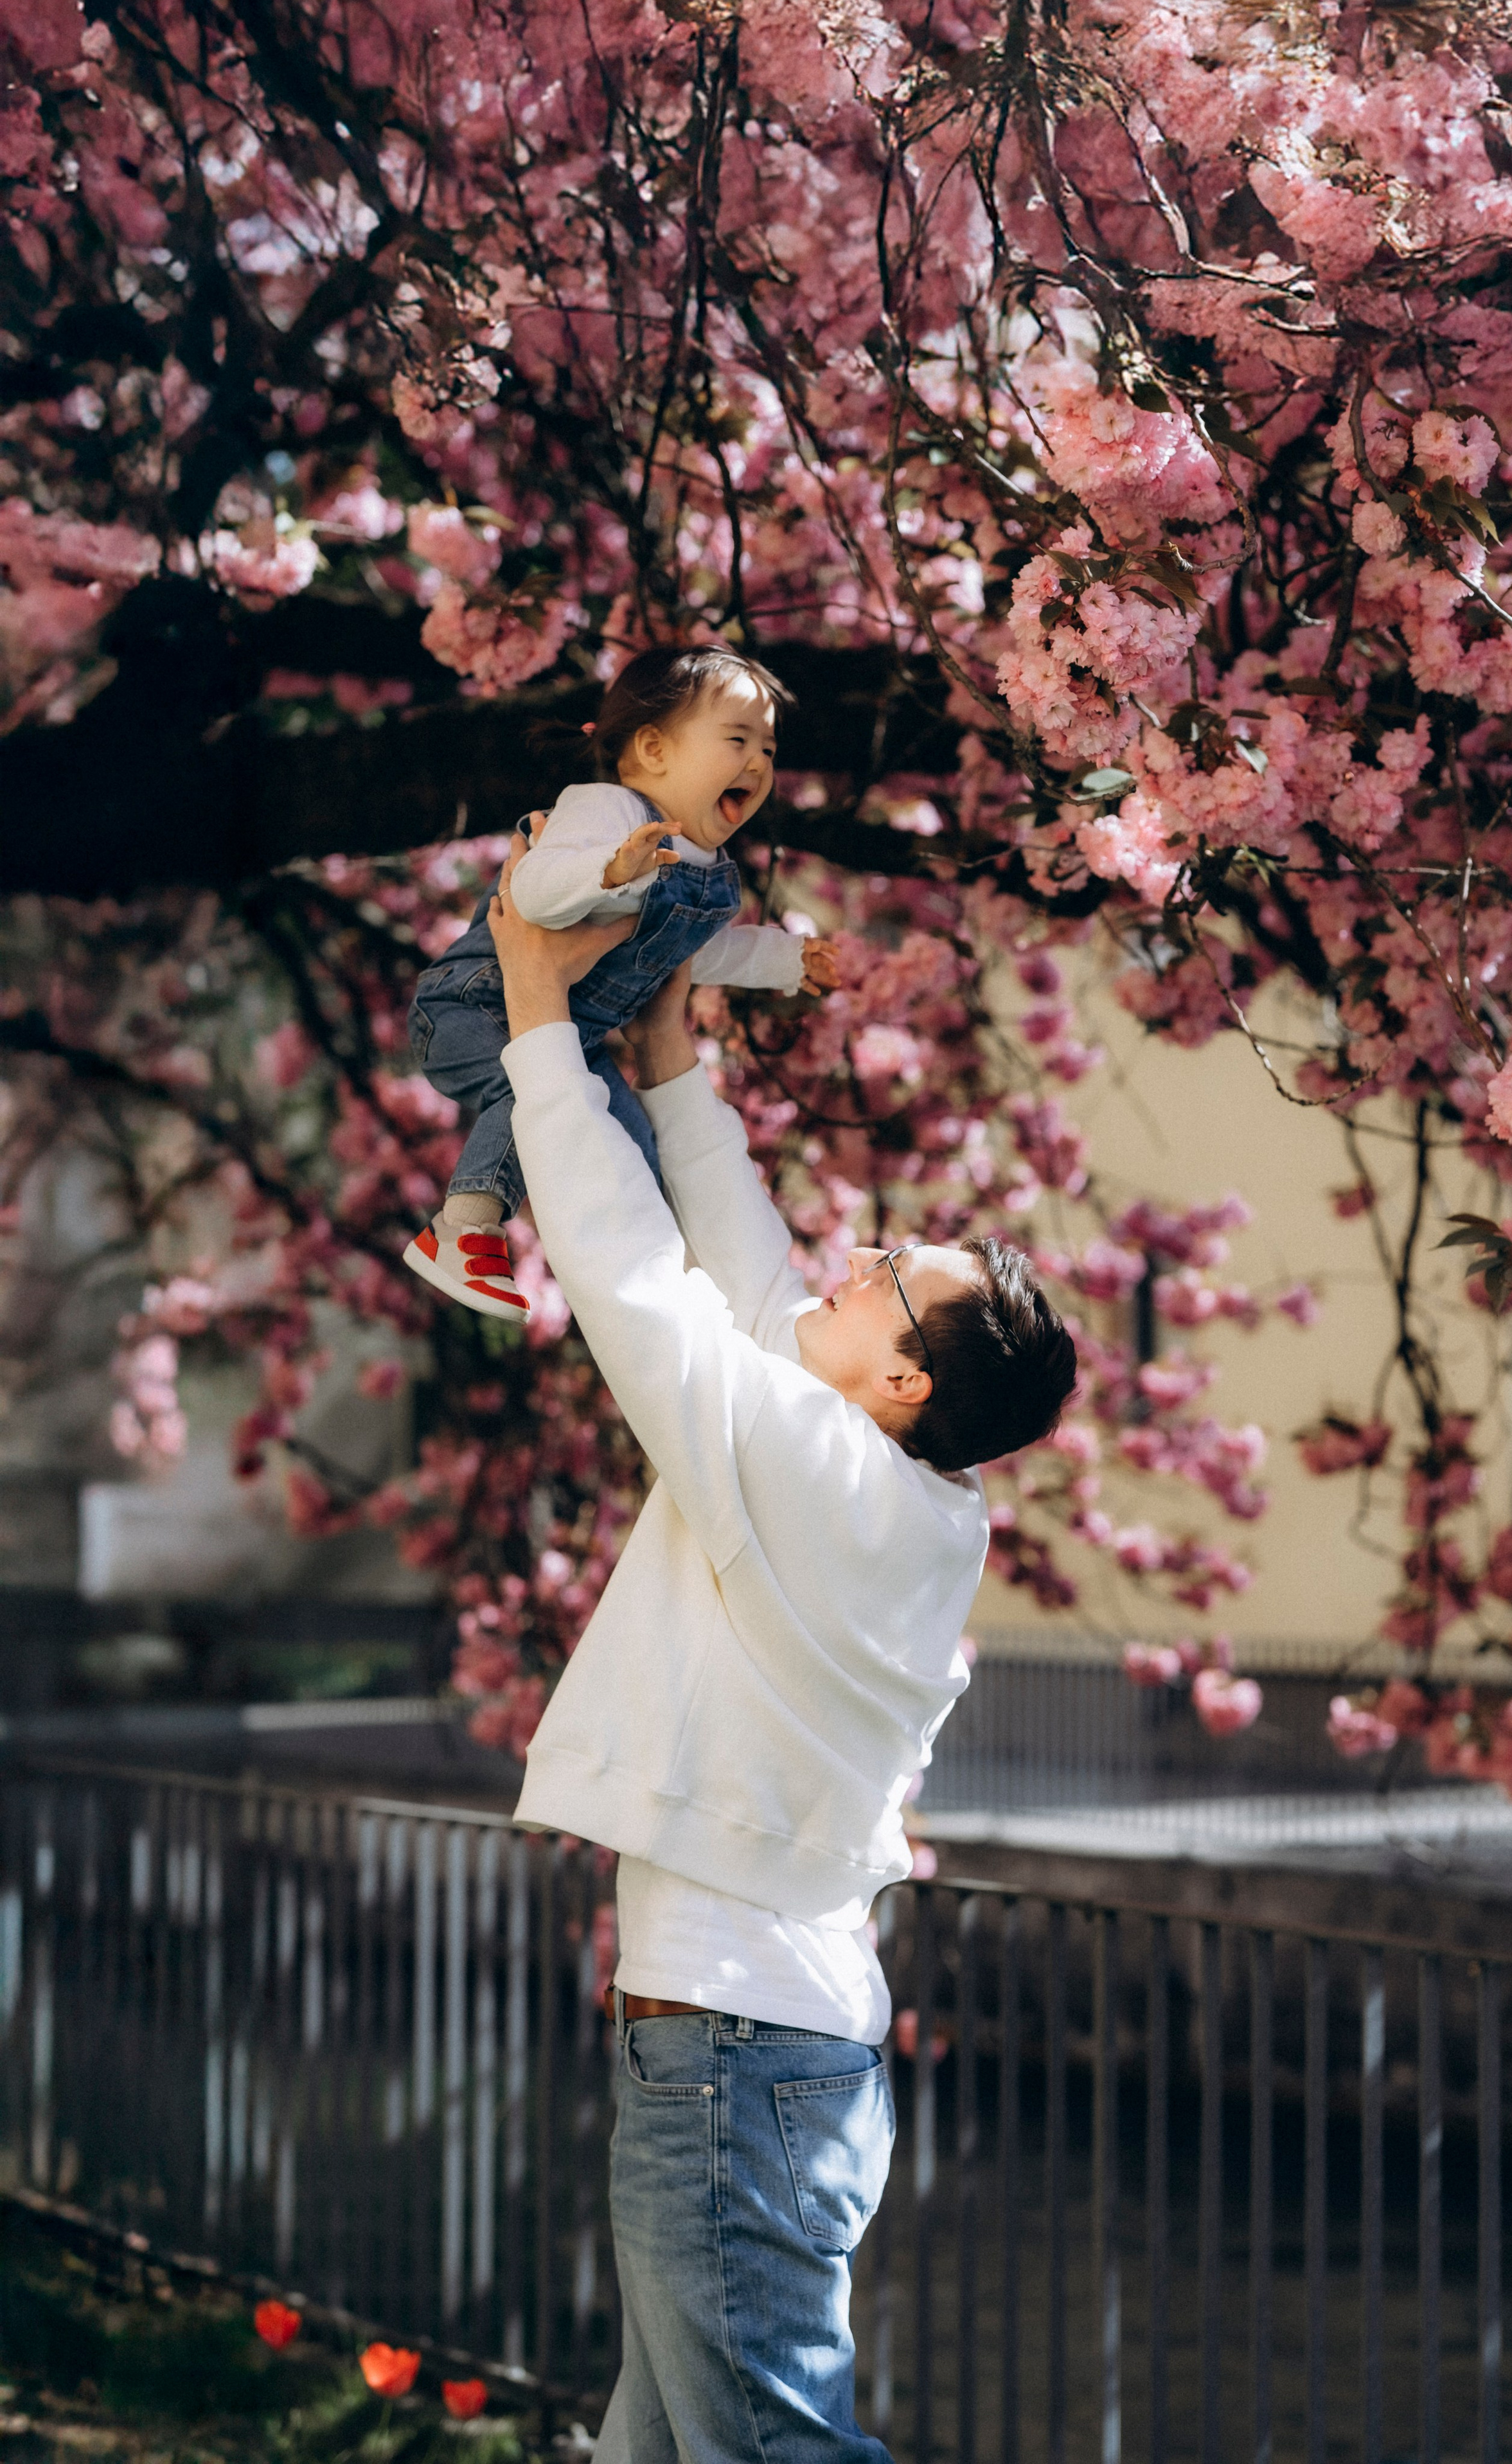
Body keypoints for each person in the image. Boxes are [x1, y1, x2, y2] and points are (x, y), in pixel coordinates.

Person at [486, 848, 1077, 2464]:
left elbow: (645, 1291)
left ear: (896, 1376)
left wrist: (544, 1030)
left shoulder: (816, 1472)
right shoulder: (894, 1494)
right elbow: (755, 1297)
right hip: (754, 2054)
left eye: (887, 1272)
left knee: (763, 2448)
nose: (857, 1251)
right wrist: (674, 1076)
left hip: (733, 2064)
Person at [402, 644, 839, 1323]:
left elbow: (694, 953)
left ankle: (654, 1275)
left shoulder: (709, 868)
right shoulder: (606, 812)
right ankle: (463, 1229)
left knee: (623, 1142)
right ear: (654, 751)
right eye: (736, 740)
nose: (758, 763)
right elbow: (539, 896)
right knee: (542, 1091)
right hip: (474, 1004)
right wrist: (609, 872)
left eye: (769, 750)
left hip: (564, 1034)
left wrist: (785, 962)